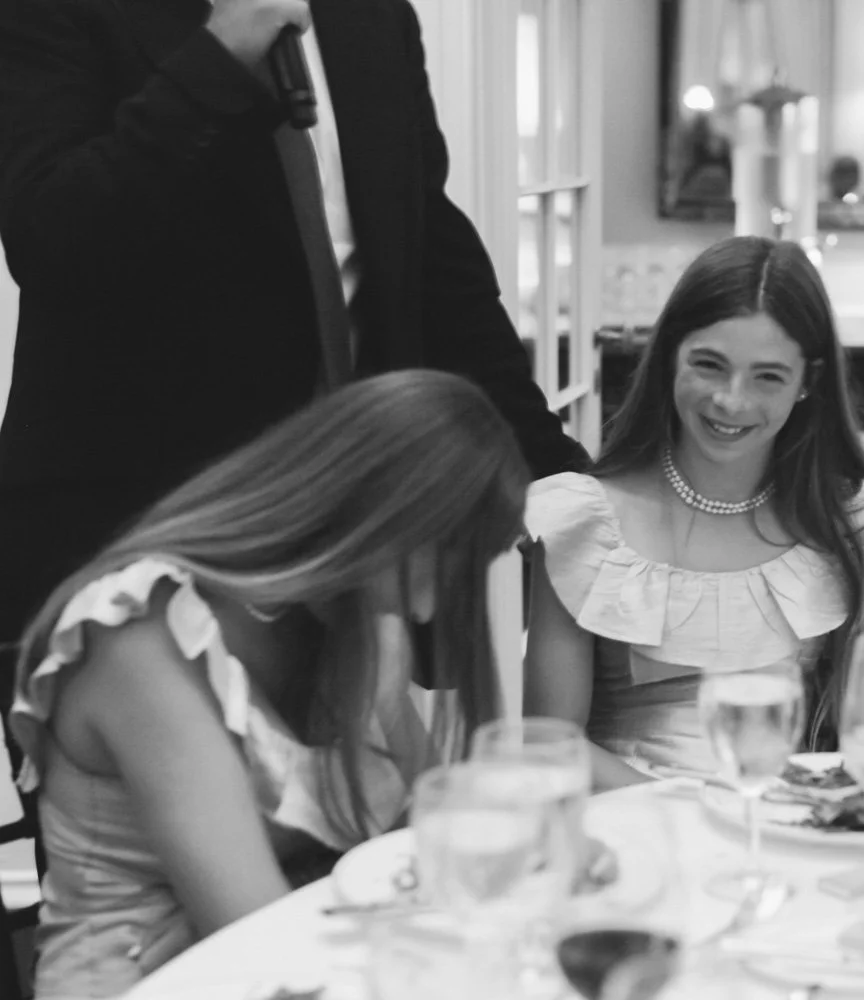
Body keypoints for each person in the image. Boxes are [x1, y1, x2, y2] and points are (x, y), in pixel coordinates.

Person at [0, 0, 587, 657]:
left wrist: (558, 473)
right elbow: (51, 240)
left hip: (342, 553)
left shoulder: (373, 17)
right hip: (136, 551)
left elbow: (431, 269)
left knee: (368, 762)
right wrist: (217, 60)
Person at [7, 370, 528, 997]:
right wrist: (289, 910)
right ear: (378, 515)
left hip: (290, 958)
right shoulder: (142, 635)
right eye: (448, 565)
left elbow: (427, 852)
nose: (427, 612)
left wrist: (287, 907)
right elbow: (260, 943)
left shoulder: (348, 618)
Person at [523, 236, 864, 789]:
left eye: (768, 376)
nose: (732, 401)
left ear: (808, 382)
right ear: (669, 357)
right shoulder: (583, 521)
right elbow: (550, 745)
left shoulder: (855, 524)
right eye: (710, 366)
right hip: (631, 832)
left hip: (784, 828)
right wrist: (699, 817)